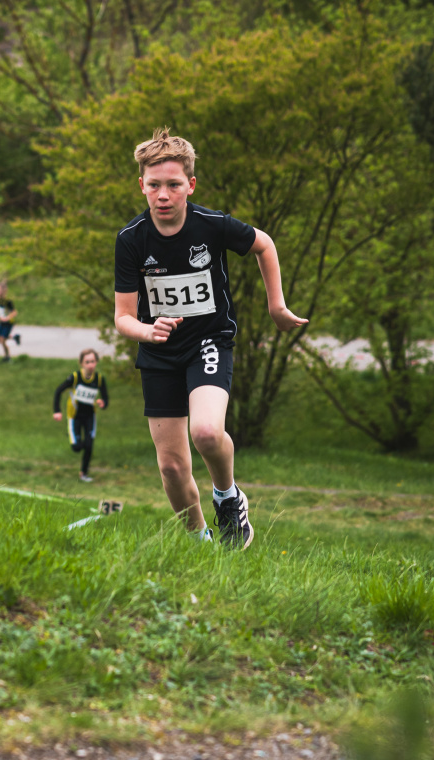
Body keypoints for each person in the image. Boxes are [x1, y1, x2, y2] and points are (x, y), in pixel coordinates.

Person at [113, 128, 307, 547]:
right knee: (171, 469)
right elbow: (123, 318)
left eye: (173, 185)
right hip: (159, 352)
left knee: (204, 431)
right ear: (141, 185)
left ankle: (227, 497)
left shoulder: (212, 226)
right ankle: (200, 542)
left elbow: (265, 245)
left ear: (190, 185)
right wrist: (149, 330)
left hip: (208, 343)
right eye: (154, 186)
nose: (163, 195)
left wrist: (277, 305)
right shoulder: (130, 241)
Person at [52, 348, 110, 482]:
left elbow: (106, 399)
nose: (90, 365)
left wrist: (103, 403)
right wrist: (57, 411)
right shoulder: (75, 377)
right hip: (75, 416)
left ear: (96, 362)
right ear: (82, 363)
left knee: (89, 446)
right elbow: (58, 391)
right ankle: (74, 437)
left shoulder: (99, 379)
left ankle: (83, 473)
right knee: (77, 448)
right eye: (87, 362)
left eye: (93, 361)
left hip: (90, 416)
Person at [0, 282, 21, 361]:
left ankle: (7, 357)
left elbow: (14, 312)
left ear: (4, 291)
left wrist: (7, 318)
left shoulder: (8, 301)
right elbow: (0, 309)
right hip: (1, 322)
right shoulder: (0, 300)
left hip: (8, 323)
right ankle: (14, 337)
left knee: (2, 340)